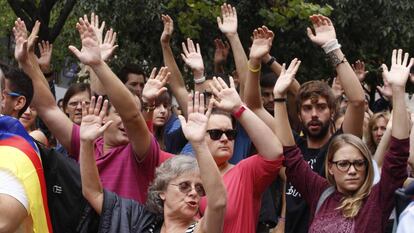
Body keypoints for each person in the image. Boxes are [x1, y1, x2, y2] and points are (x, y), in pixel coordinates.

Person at [18, 16, 172, 203]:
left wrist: (98, 64)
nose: (127, 121)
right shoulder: (87, 142)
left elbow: (131, 116)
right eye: (118, 113)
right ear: (103, 115)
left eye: (136, 115)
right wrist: (26, 62)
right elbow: (47, 108)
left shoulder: (141, 153)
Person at [244, 15, 366, 233]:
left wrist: (332, 47)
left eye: (321, 107)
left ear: (332, 111)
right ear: (299, 115)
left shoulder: (341, 146)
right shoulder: (292, 144)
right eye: (307, 109)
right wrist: (254, 61)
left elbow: (357, 101)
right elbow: (254, 107)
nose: (315, 114)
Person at [276, 48, 412, 232]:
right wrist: (279, 98)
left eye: (359, 163)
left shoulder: (377, 198)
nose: (352, 170)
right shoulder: (320, 192)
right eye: (343, 164)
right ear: (330, 167)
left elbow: (398, 153)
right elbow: (291, 156)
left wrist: (398, 90)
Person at [79, 92, 226, 233]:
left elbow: (218, 202)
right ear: (163, 192)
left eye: (200, 189)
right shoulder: (138, 220)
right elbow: (93, 192)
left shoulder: (200, 229)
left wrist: (199, 143)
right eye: (184, 186)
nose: (194, 193)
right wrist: (86, 142)